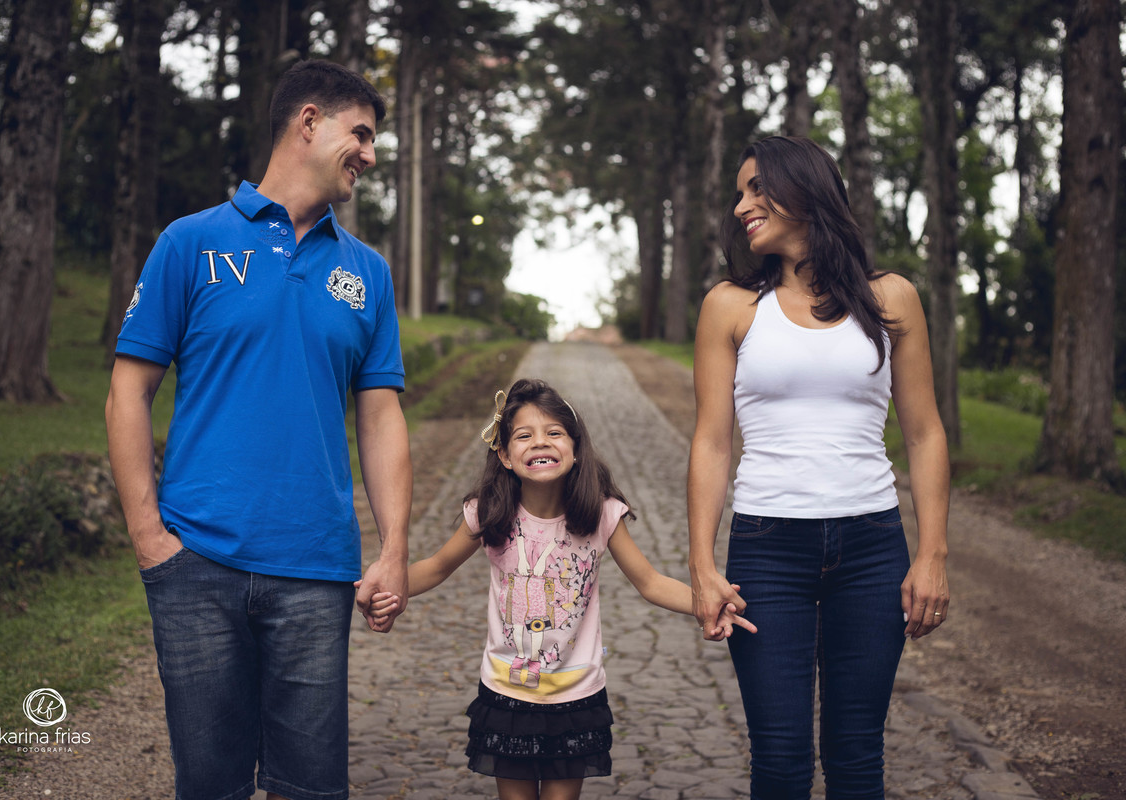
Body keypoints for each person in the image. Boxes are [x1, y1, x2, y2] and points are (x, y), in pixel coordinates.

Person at [105, 60, 411, 800]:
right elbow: (127, 390)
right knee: (208, 785)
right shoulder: (190, 242)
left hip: (316, 570)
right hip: (195, 566)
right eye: (361, 134)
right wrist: (150, 539)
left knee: (311, 788)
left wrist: (395, 550)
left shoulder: (365, 272)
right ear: (308, 122)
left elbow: (381, 415)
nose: (370, 155)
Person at [686, 136, 951, 799]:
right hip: (768, 550)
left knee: (858, 757)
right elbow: (712, 442)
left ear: (803, 190)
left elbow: (923, 433)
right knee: (779, 762)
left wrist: (933, 555)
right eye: (738, 191)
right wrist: (701, 565)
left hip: (871, 548)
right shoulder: (730, 306)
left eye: (756, 188)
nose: (741, 204)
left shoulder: (890, 298)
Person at [367, 378, 755, 800]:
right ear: (505, 455)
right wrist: (391, 590)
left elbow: (650, 582)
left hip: (576, 696)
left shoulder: (603, 514)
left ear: (575, 448)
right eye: (524, 435)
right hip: (506, 693)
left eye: (554, 433)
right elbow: (438, 567)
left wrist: (706, 606)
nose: (540, 443)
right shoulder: (488, 513)